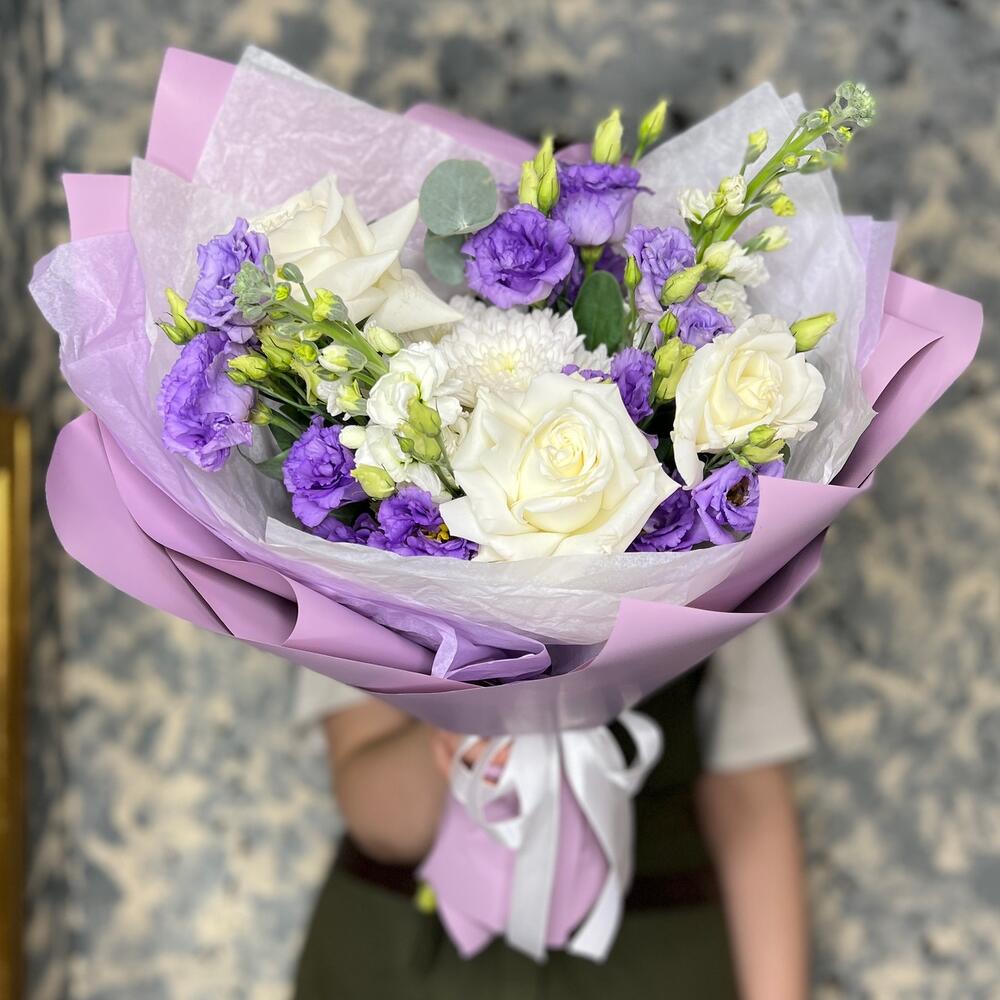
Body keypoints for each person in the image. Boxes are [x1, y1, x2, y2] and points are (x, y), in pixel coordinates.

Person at [292, 619, 812, 999]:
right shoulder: (360, 532)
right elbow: (379, 822)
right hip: (406, 959)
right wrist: (468, 733)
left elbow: (751, 806)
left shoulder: (713, 536)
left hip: (651, 959)